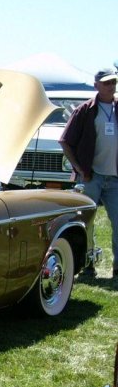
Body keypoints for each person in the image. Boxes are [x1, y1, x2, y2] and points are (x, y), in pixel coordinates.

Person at [59, 68, 118, 281]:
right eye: (106, 83)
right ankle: (88, 266)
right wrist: (79, 169)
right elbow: (65, 141)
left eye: (113, 82)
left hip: (115, 178)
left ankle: (117, 269)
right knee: (86, 224)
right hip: (91, 177)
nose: (111, 86)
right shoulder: (85, 110)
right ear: (96, 86)